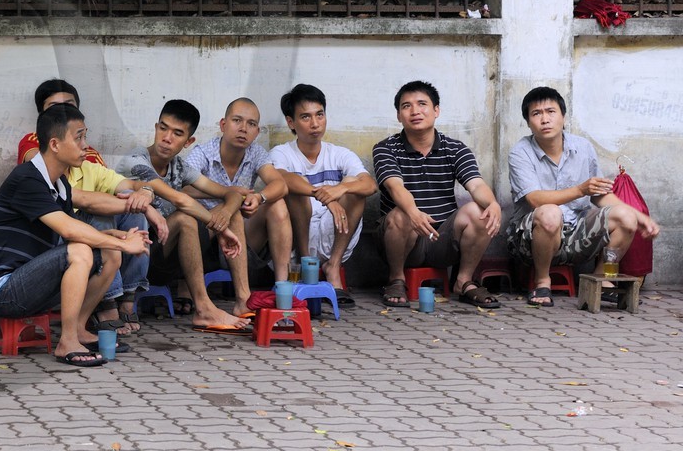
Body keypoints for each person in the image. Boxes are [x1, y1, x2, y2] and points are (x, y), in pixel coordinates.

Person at [0, 103, 149, 367]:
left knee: (110, 253)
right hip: (4, 291)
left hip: (33, 283)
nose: (85, 145)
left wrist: (118, 238)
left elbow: (72, 229)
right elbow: (70, 231)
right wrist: (124, 244)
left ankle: (79, 329)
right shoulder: (27, 179)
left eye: (85, 136)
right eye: (78, 137)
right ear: (55, 144)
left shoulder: (59, 185)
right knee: (81, 251)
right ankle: (67, 342)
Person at [16, 78, 162, 333]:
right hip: (60, 230)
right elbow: (80, 199)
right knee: (103, 217)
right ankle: (107, 305)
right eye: (54, 107)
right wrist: (120, 238)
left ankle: (127, 299)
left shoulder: (88, 154)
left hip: (86, 221)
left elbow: (119, 187)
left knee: (133, 215)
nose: (63, 112)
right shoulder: (35, 152)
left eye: (69, 106)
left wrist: (146, 197)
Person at [506, 86, 659, 307]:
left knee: (626, 216)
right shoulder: (520, 151)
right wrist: (580, 190)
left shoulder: (583, 147)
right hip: (530, 241)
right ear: (528, 122)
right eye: (536, 114)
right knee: (550, 212)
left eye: (551, 111)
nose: (545, 119)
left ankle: (602, 282)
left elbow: (599, 195)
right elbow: (535, 199)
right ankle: (542, 281)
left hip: (576, 236)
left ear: (563, 117)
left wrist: (639, 217)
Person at [117, 100, 251, 332]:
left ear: (188, 141)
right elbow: (180, 200)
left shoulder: (179, 166)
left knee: (233, 215)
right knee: (185, 218)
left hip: (169, 249)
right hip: (138, 255)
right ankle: (204, 308)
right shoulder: (136, 162)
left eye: (177, 133)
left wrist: (227, 213)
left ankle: (243, 301)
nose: (167, 138)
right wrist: (220, 228)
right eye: (163, 128)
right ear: (156, 127)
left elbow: (230, 193)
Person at [372, 80, 502, 309]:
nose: (415, 111)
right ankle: (396, 279)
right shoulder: (385, 148)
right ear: (398, 115)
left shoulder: (456, 149)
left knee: (478, 211)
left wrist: (493, 204)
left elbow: (476, 185)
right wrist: (413, 213)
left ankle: (463, 281)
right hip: (403, 242)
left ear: (436, 111)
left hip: (442, 241)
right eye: (406, 106)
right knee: (401, 214)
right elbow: (395, 187)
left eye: (422, 104)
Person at [178, 97, 310, 306]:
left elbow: (280, 185)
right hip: (206, 238)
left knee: (276, 204)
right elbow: (181, 189)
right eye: (237, 121)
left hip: (241, 240)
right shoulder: (203, 152)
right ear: (223, 124)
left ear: (257, 132)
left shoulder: (256, 152)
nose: (243, 129)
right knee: (229, 208)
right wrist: (226, 193)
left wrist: (259, 197)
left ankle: (282, 287)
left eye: (251, 124)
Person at [268, 84, 376, 306]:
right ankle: (305, 267)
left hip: (333, 233)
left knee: (355, 187)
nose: (315, 124)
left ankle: (333, 266)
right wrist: (324, 196)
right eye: (305, 117)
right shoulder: (281, 153)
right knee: (292, 191)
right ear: (291, 122)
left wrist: (341, 190)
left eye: (320, 115)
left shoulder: (339, 154)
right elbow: (280, 178)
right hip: (295, 241)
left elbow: (370, 185)